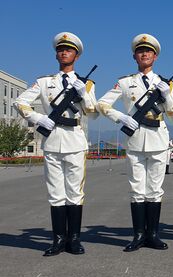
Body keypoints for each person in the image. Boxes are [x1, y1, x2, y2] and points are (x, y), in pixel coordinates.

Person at [14, 32, 98, 256]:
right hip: (52, 141)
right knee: (55, 193)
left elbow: (93, 112)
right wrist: (37, 118)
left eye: (68, 50)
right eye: (61, 49)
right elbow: (19, 101)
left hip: (75, 140)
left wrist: (84, 95)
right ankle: (58, 239)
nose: (64, 52)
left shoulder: (86, 84)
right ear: (56, 54)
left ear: (76, 56)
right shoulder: (44, 82)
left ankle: (74, 239)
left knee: (75, 193)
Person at [98, 33, 173, 251]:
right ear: (135, 56)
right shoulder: (125, 82)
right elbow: (102, 104)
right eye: (141, 51)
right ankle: (138, 235)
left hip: (158, 139)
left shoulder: (164, 83)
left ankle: (153, 234)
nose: (145, 54)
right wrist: (121, 118)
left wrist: (167, 95)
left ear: (155, 56)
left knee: (154, 189)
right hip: (134, 140)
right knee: (136, 190)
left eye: (149, 51)